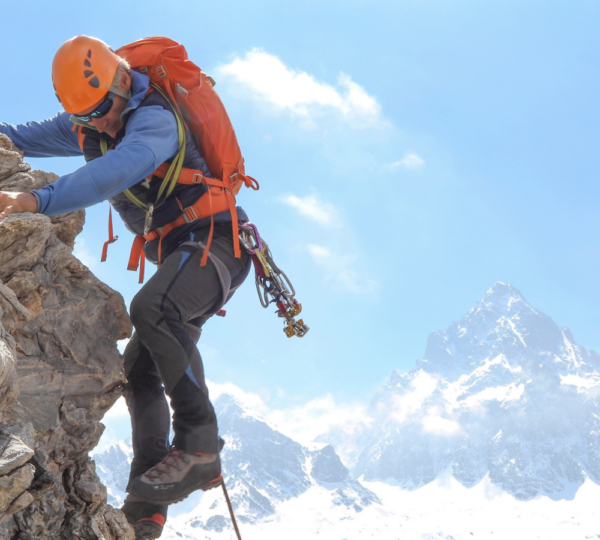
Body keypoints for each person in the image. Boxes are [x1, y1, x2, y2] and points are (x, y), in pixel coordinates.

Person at [0, 35, 251, 540]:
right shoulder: (93, 118)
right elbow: (21, 136)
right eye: (86, 118)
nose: (99, 124)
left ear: (122, 82)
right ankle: (146, 507)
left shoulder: (155, 121)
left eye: (103, 111)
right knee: (137, 369)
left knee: (154, 308)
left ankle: (200, 444)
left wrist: (34, 200)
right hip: (186, 253)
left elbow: (107, 177)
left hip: (217, 244)